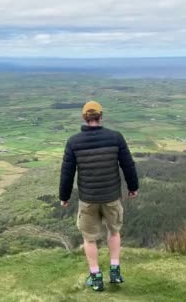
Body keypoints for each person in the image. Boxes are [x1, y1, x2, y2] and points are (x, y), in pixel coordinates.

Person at [58, 100, 139, 292]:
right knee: (114, 232)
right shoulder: (115, 137)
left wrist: (64, 196)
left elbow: (67, 173)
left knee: (89, 238)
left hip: (88, 200)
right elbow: (128, 165)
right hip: (111, 197)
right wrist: (133, 187)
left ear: (84, 118)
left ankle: (95, 278)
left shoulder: (73, 142)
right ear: (101, 116)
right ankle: (115, 271)